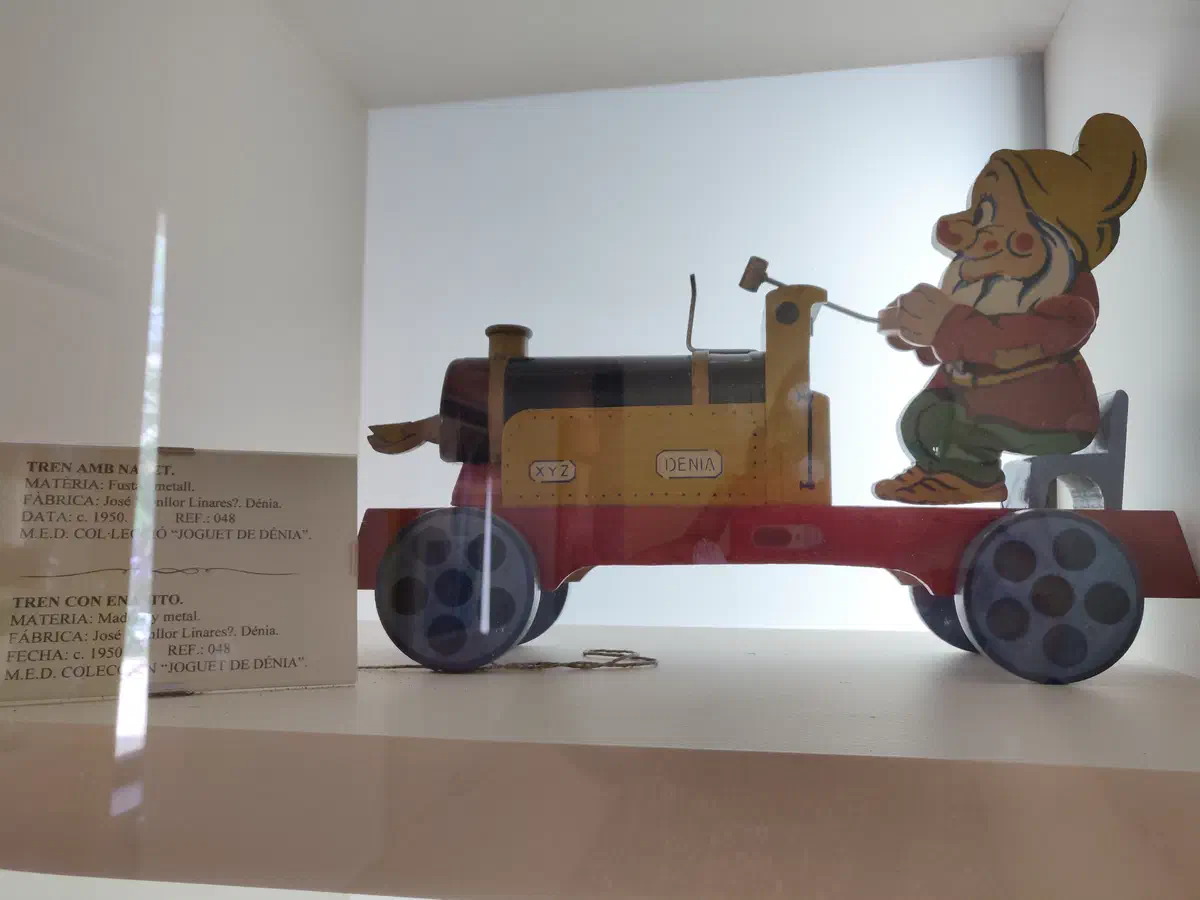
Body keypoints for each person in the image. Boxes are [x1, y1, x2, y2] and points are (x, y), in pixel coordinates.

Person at [874, 113, 1146, 505]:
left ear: (1046, 232)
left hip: (1054, 417)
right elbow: (955, 343)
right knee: (921, 417)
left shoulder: (1067, 306)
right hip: (992, 407)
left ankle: (977, 477)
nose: (966, 234)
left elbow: (1015, 339)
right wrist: (913, 326)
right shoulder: (988, 293)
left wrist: (946, 326)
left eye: (989, 216)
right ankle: (940, 471)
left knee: (965, 422)